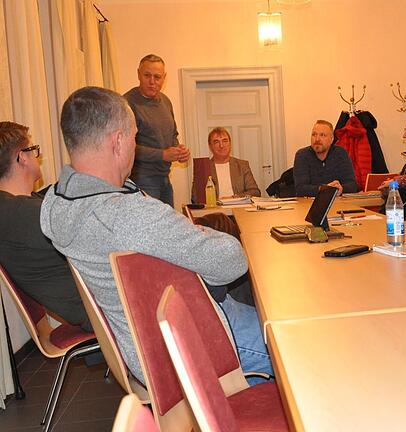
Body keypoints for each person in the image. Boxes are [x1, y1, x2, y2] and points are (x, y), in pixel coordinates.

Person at [40, 86, 272, 384]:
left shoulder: (57, 204)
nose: (135, 147)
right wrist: (194, 233)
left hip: (147, 345)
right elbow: (232, 261)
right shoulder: (128, 214)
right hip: (194, 341)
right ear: (119, 140)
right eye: (135, 137)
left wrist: (183, 236)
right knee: (294, 336)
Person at [0, 122, 90, 332]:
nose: (36, 157)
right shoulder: (25, 214)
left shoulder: (11, 207)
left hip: (84, 302)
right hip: (95, 308)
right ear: (22, 157)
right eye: (33, 151)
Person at [124, 54, 189, 206]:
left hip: (165, 179)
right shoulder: (126, 103)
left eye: (157, 77)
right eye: (147, 75)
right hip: (141, 180)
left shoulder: (166, 102)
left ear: (164, 78)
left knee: (167, 227)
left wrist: (179, 150)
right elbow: (125, 147)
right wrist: (163, 155)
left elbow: (172, 134)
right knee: (150, 228)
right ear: (138, 74)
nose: (152, 82)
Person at [191, 127, 261, 203]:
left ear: (230, 143)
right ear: (210, 146)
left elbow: (255, 192)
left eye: (225, 141)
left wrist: (234, 198)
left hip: (239, 209)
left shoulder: (242, 165)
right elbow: (195, 198)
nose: (221, 145)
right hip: (214, 212)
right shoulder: (204, 168)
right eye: (216, 142)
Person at [293, 120, 357, 196]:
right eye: (314, 135)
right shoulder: (302, 155)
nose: (317, 139)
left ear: (331, 139)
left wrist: (341, 188)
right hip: (309, 204)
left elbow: (353, 185)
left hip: (337, 203)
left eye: (322, 135)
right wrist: (326, 189)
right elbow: (300, 189)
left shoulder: (340, 154)